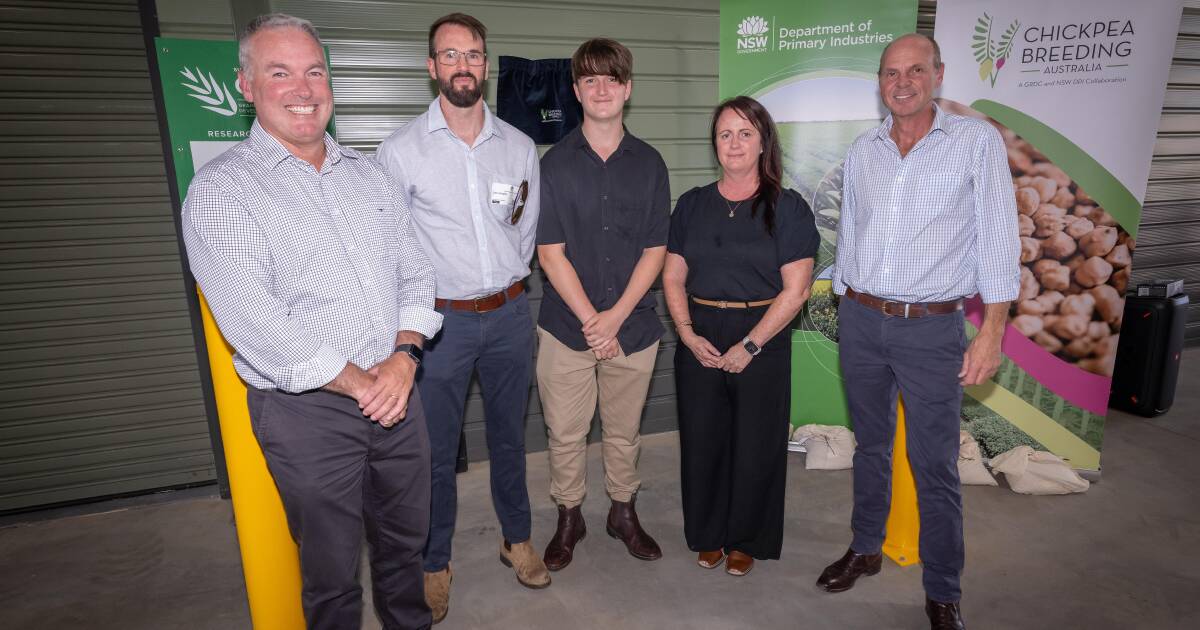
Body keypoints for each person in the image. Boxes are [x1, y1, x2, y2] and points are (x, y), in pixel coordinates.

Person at [181, 14, 441, 630]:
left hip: (398, 390)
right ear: (246, 86)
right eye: (280, 72)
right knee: (330, 575)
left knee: (407, 550)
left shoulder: (368, 175)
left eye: (315, 71)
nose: (304, 88)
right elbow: (256, 322)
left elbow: (416, 273)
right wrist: (362, 383)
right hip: (307, 413)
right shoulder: (222, 191)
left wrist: (404, 359)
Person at [819, 33, 1020, 630]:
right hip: (861, 321)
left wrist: (992, 333)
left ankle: (943, 588)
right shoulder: (865, 150)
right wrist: (842, 299)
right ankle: (865, 548)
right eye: (889, 73)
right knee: (871, 446)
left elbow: (998, 241)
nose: (900, 82)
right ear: (879, 81)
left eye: (913, 70)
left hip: (931, 330)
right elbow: (851, 230)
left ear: (937, 74)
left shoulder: (976, 143)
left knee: (933, 462)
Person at [374, 12, 548, 624]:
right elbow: (389, 249)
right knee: (435, 452)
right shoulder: (399, 153)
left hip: (507, 316)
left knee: (510, 438)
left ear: (486, 64)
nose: (463, 66)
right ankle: (434, 561)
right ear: (432, 68)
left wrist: (500, 283)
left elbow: (523, 234)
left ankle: (516, 538)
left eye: (473, 54)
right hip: (436, 326)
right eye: (450, 55)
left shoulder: (520, 147)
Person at [662, 96, 819, 578]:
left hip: (763, 336)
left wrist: (750, 345)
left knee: (756, 443)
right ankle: (708, 535)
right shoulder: (692, 204)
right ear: (715, 143)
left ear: (763, 142)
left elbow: (797, 290)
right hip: (701, 335)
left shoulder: (787, 208)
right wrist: (687, 334)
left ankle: (747, 538)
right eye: (725, 133)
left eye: (745, 133)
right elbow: (672, 277)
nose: (734, 143)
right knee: (703, 440)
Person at [535, 38, 668, 572]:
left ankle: (622, 512)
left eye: (612, 78)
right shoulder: (555, 164)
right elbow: (549, 252)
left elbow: (656, 250)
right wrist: (594, 322)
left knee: (624, 432)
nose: (601, 88)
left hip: (632, 329)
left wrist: (614, 320)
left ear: (628, 88)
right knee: (565, 433)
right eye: (590, 79)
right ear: (576, 91)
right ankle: (570, 516)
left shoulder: (651, 163)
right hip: (567, 330)